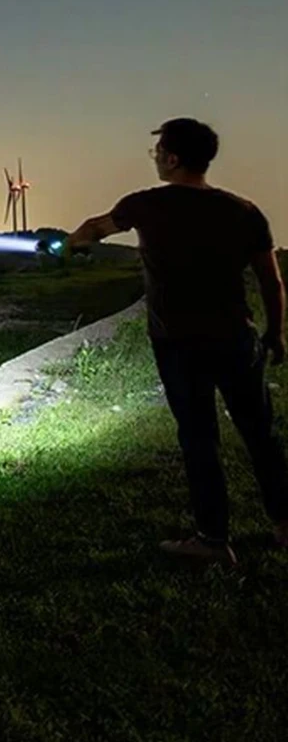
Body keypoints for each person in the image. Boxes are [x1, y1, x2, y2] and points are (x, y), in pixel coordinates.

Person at [66, 117, 288, 567]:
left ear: (171, 157)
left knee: (199, 438)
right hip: (237, 338)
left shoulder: (145, 205)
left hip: (179, 343)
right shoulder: (244, 211)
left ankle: (213, 539)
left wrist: (73, 243)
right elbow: (271, 280)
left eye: (158, 151)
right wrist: (275, 333)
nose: (155, 159)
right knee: (261, 435)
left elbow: (97, 227)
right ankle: (286, 525)